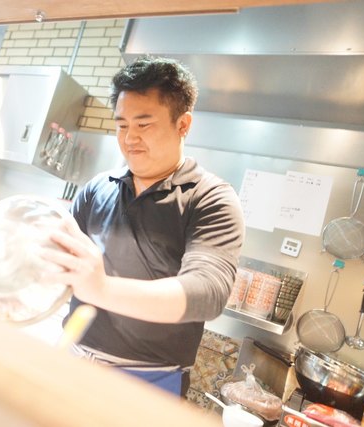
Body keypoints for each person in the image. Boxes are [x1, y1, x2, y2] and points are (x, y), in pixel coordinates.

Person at [40, 56, 245, 397]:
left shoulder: (210, 198)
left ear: (183, 124)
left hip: (149, 380)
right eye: (122, 125)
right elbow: (62, 258)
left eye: (144, 124)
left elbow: (207, 292)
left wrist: (101, 288)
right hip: (72, 357)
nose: (129, 138)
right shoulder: (98, 188)